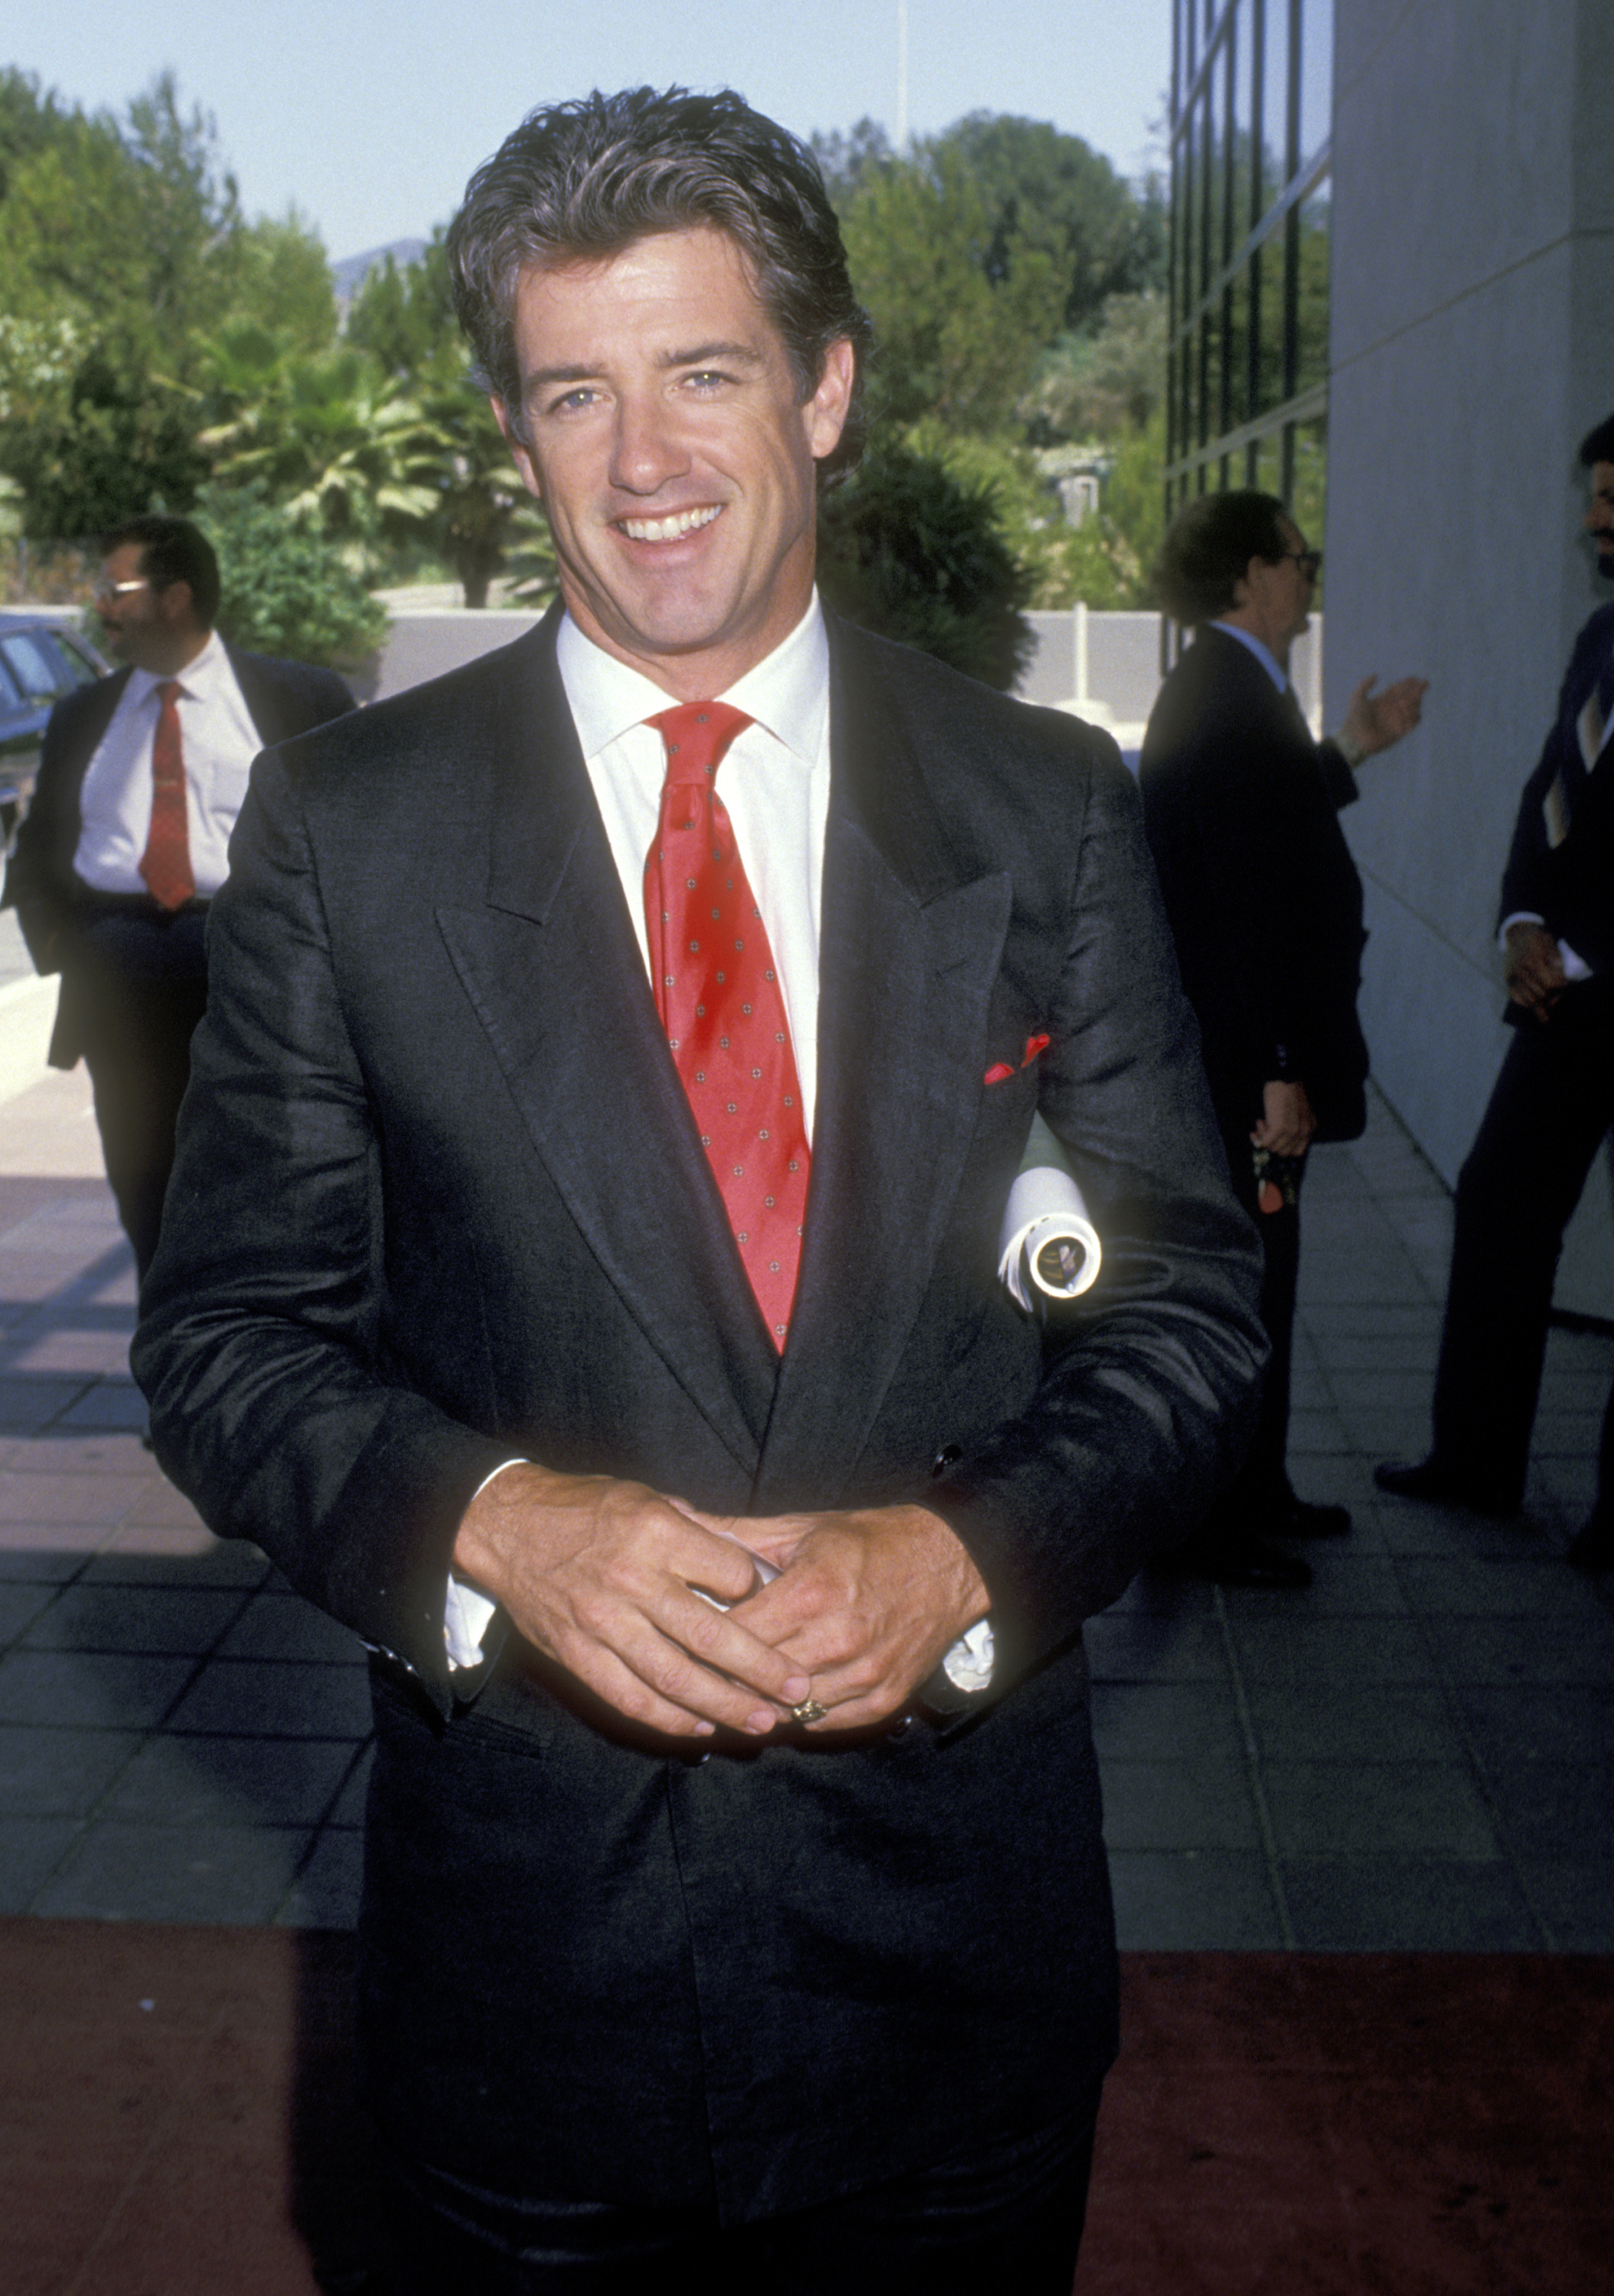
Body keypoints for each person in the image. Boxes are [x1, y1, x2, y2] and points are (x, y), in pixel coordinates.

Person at [132, 89, 1263, 2292]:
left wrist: (960, 1550)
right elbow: (223, 1341)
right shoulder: (346, 833)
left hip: (954, 1983)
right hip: (526, 1996)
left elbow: (1188, 1320)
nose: (642, 460)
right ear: (510, 427)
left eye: (704, 372)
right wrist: (488, 1520)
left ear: (823, 389)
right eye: (576, 391)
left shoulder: (1042, 812)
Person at [1139, 491, 1427, 1590]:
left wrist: (1351, 745)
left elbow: (1267, 827)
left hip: (1239, 1063)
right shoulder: (1225, 698)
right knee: (1241, 1285)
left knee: (1268, 1274)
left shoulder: (1230, 689)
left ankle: (1252, 1489)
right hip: (1237, 1071)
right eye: (1298, 560)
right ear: (1250, 574)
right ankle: (1208, 1524)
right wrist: (1273, 1073)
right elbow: (1241, 912)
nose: (1308, 580)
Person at [1378, 417, 1614, 1573]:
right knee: (1500, 1201)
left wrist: (1583, 949)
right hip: (1562, 993)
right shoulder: (1599, 636)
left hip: (1594, 980)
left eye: (1612, 496)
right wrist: (1522, 919)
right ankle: (1475, 1463)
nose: (1593, 519)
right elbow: (1552, 790)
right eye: (1594, 495)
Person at [10, 514, 354, 1277]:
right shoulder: (82, 716)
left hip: (252, 967)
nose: (98, 606)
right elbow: (36, 849)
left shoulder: (296, 699)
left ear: (175, 598)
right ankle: (169, 1352)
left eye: (113, 589)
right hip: (118, 974)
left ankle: (261, 1338)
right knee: (142, 1174)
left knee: (267, 1169)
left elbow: (360, 836)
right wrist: (63, 945)